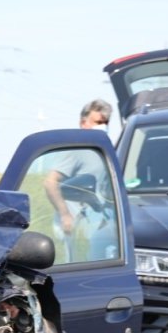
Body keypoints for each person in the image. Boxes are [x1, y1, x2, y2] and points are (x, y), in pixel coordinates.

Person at [41, 99, 116, 262]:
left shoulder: (104, 150)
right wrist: (65, 214)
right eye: (98, 122)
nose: (103, 126)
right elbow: (50, 182)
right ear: (83, 122)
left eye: (106, 122)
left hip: (102, 221)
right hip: (79, 223)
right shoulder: (76, 150)